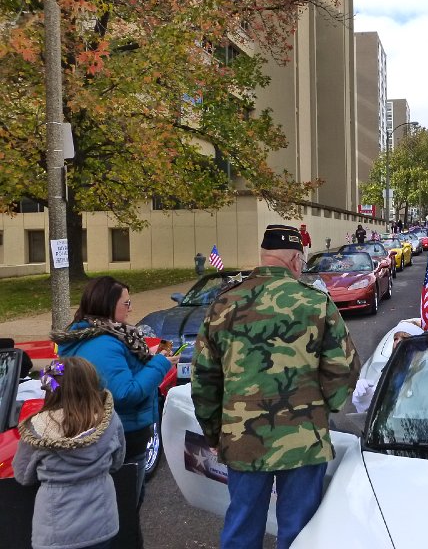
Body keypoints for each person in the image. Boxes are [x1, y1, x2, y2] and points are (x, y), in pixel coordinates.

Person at [192, 224, 360, 549]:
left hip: (243, 439)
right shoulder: (317, 304)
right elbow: (343, 369)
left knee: (242, 526)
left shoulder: (224, 304)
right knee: (300, 532)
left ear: (264, 256)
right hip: (303, 439)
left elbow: (204, 379)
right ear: (296, 260)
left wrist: (214, 432)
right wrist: (322, 410)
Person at [52, 276, 178, 541]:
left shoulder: (83, 334)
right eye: (126, 303)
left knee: (112, 509)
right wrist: (160, 364)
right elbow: (125, 393)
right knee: (124, 513)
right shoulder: (106, 342)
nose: (130, 309)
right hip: (123, 436)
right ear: (108, 305)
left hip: (99, 432)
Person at [13, 357, 126, 549]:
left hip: (55, 532)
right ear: (92, 384)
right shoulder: (108, 419)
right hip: (102, 524)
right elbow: (117, 462)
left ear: (50, 387)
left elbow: (23, 475)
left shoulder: (36, 428)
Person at [352, 321, 425, 413]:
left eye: (405, 338)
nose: (398, 342)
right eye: (395, 338)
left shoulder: (426, 371)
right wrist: (365, 397)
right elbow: (376, 407)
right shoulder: (391, 371)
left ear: (417, 345)